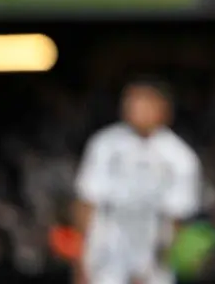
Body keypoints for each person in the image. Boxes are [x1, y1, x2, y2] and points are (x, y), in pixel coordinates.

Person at [73, 77, 201, 284]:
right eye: (131, 103)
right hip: (108, 240)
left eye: (144, 103)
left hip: (153, 240)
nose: (135, 109)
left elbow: (178, 217)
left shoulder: (180, 156)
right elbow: (87, 201)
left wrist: (157, 263)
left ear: (163, 109)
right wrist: (80, 261)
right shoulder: (105, 144)